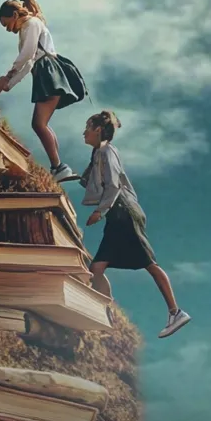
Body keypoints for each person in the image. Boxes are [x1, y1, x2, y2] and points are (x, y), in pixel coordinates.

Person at [80, 110, 191, 339]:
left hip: (124, 213)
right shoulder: (99, 153)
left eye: (87, 128)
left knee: (149, 263)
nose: (84, 132)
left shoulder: (107, 152)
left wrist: (100, 211)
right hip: (117, 215)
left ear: (98, 130)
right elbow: (92, 181)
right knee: (97, 268)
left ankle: (176, 312)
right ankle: (105, 318)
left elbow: (113, 185)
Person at [0, 0, 83, 183]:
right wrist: (8, 84)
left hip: (49, 72)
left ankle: (59, 167)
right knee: (41, 124)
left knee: (39, 124)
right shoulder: (26, 29)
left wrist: (8, 75)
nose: (8, 30)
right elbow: (28, 64)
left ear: (15, 15)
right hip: (42, 73)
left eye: (7, 24)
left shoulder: (31, 24)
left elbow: (27, 54)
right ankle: (59, 167)